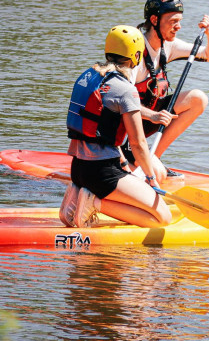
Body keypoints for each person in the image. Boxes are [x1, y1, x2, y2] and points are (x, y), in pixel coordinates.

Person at [60, 25, 173, 229]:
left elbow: (102, 125)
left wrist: (122, 163)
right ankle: (94, 201)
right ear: (136, 56)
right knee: (162, 218)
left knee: (139, 194)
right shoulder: (125, 89)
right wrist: (151, 178)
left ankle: (78, 194)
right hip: (102, 174)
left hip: (78, 168)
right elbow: (138, 145)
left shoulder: (89, 76)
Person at [126, 0, 209, 178]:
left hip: (151, 117)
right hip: (128, 126)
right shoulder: (135, 50)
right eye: (173, 21)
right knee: (157, 175)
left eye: (180, 21)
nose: (178, 27)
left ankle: (154, 158)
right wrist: (153, 116)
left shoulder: (169, 45)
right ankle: (140, 160)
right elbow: (121, 100)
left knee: (197, 99)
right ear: (154, 20)